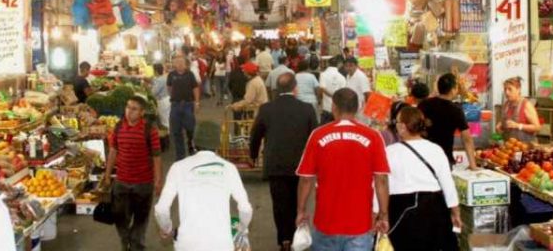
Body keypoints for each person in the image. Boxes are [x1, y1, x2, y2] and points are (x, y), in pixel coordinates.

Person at [296, 88, 390, 250]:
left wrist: (301, 210)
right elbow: (381, 180)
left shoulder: (318, 135)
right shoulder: (373, 137)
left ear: (333, 107)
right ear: (359, 108)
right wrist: (383, 214)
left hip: (326, 222)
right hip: (360, 224)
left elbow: (306, 179)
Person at [154, 121, 253, 251]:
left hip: (187, 244)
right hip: (221, 244)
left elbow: (161, 209)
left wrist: (167, 229)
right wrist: (241, 230)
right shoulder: (229, 169)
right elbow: (246, 209)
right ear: (218, 144)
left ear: (194, 143)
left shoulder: (178, 167)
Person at [250, 73, 318, 251]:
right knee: (299, 203)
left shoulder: (266, 109)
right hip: (301, 167)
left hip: (275, 165)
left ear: (276, 90)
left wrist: (253, 154)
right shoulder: (307, 109)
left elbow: (255, 134)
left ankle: (284, 240)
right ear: (295, 89)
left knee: (280, 205)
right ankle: (298, 238)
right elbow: (315, 138)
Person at [385, 107, 461, 251]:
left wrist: (379, 213)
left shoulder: (389, 152)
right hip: (432, 208)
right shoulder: (435, 150)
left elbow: (382, 185)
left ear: (402, 127)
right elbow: (447, 184)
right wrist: (455, 212)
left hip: (399, 210)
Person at [102, 96, 162, 251]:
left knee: (141, 219)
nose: (129, 112)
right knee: (120, 218)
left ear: (142, 112)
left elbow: (156, 157)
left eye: (134, 109)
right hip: (122, 182)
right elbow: (113, 151)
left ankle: (136, 245)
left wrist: (158, 181)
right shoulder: (118, 127)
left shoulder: (150, 130)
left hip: (143, 183)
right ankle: (125, 240)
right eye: (128, 107)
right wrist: (107, 174)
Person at [418, 73, 478, 170]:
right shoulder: (456, 110)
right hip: (444, 159)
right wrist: (473, 165)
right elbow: (467, 138)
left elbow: (414, 126)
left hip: (422, 157)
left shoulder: (424, 104)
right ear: (453, 89)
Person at [167, 56, 200, 160]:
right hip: (175, 105)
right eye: (177, 62)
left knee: (191, 128)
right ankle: (180, 156)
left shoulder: (190, 74)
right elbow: (169, 88)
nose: (180, 64)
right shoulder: (171, 75)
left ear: (185, 64)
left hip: (188, 105)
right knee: (176, 131)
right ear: (174, 64)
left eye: (182, 62)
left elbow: (195, 88)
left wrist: (197, 102)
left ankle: (191, 146)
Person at [496, 77, 540, 142]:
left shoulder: (526, 105)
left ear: (518, 90)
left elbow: (537, 127)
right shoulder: (506, 105)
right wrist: (500, 125)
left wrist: (518, 126)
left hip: (526, 147)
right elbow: (504, 121)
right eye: (505, 89)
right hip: (509, 147)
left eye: (510, 89)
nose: (507, 92)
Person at [318, 56, 347, 124]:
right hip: (338, 109)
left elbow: (322, 89)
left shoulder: (323, 75)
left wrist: (321, 100)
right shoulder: (342, 77)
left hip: (326, 108)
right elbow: (344, 92)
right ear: (338, 65)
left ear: (328, 64)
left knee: (325, 130)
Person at [151, 63, 170, 129]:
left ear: (156, 71)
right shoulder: (163, 78)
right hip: (166, 99)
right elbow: (154, 81)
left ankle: (167, 136)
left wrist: (148, 87)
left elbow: (153, 92)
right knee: (167, 118)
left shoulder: (160, 80)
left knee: (165, 121)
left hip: (163, 101)